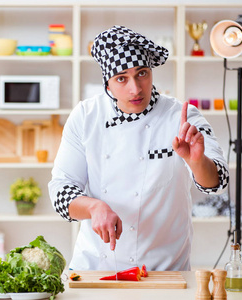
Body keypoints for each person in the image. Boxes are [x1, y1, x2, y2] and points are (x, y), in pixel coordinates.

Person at [48, 25, 229, 271]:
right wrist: (94, 206)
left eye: (142, 73)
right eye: (121, 78)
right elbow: (61, 190)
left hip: (163, 269)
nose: (135, 88)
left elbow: (219, 183)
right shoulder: (85, 116)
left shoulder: (182, 117)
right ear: (108, 84)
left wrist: (197, 161)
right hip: (95, 267)